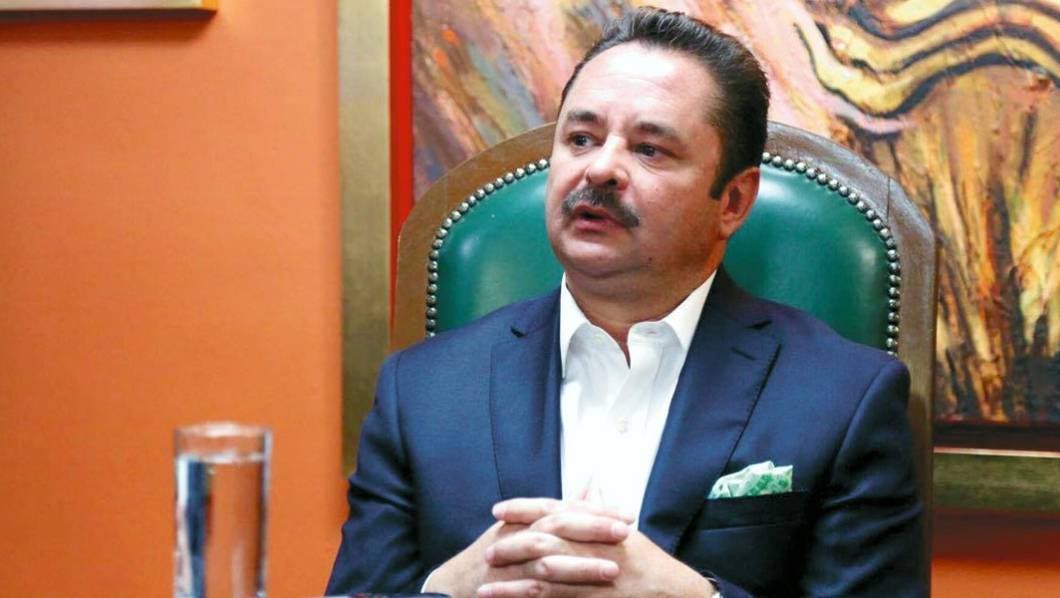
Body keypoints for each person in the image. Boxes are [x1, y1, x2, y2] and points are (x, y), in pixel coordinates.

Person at [327, 7, 925, 597]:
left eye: (650, 149)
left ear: (733, 202)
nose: (601, 168)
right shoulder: (420, 392)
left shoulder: (845, 398)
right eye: (581, 139)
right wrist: (444, 589)